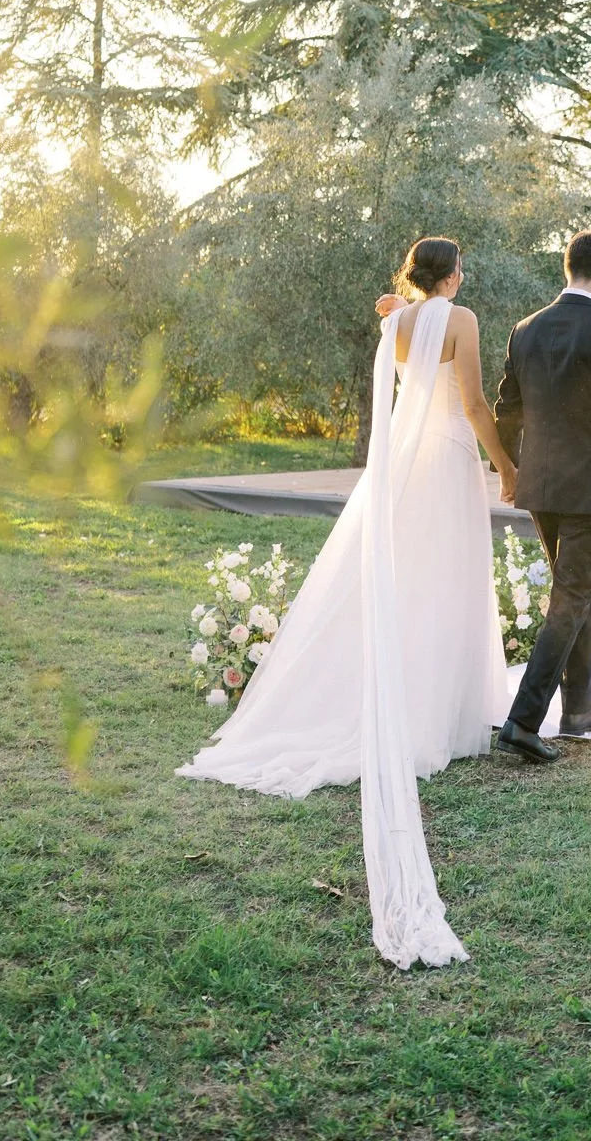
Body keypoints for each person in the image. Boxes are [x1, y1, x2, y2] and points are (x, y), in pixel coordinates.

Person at [179, 236, 514, 969]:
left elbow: (410, 374)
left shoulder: (394, 324)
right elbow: (473, 402)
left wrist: (398, 309)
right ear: (452, 276)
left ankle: (416, 698)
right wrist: (506, 467)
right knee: (445, 580)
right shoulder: (461, 318)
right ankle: (439, 709)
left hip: (406, 467)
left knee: (412, 580)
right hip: (451, 460)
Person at [494, 227, 591, 764]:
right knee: (572, 597)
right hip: (588, 487)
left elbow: (506, 409)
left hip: (540, 485)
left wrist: (513, 469)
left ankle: (579, 707)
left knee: (572, 591)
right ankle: (522, 720)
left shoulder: (524, 330)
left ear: (569, 268)